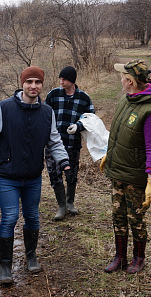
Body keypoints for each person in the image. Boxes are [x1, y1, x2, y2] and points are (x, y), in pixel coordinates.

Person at [0, 66, 72, 284]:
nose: (33, 86)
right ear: (22, 83)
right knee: (10, 218)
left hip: (32, 178)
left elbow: (54, 141)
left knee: (32, 216)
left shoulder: (46, 112)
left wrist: (64, 162)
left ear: (42, 85)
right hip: (7, 176)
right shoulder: (4, 108)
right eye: (29, 82)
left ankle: (31, 256)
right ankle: (6, 266)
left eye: (37, 82)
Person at [101, 60, 151, 274]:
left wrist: (150, 181)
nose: (120, 80)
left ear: (130, 81)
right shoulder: (126, 100)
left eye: (123, 77)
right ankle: (119, 256)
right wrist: (108, 155)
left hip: (137, 176)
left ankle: (139, 258)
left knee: (135, 218)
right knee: (117, 215)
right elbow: (119, 134)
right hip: (119, 170)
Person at [45, 66, 94, 220]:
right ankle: (61, 206)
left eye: (64, 79)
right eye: (60, 79)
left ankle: (70, 202)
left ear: (72, 81)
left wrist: (78, 126)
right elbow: (44, 115)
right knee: (55, 174)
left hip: (73, 143)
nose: (61, 82)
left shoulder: (84, 98)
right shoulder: (53, 95)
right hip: (53, 144)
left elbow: (91, 119)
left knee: (71, 174)